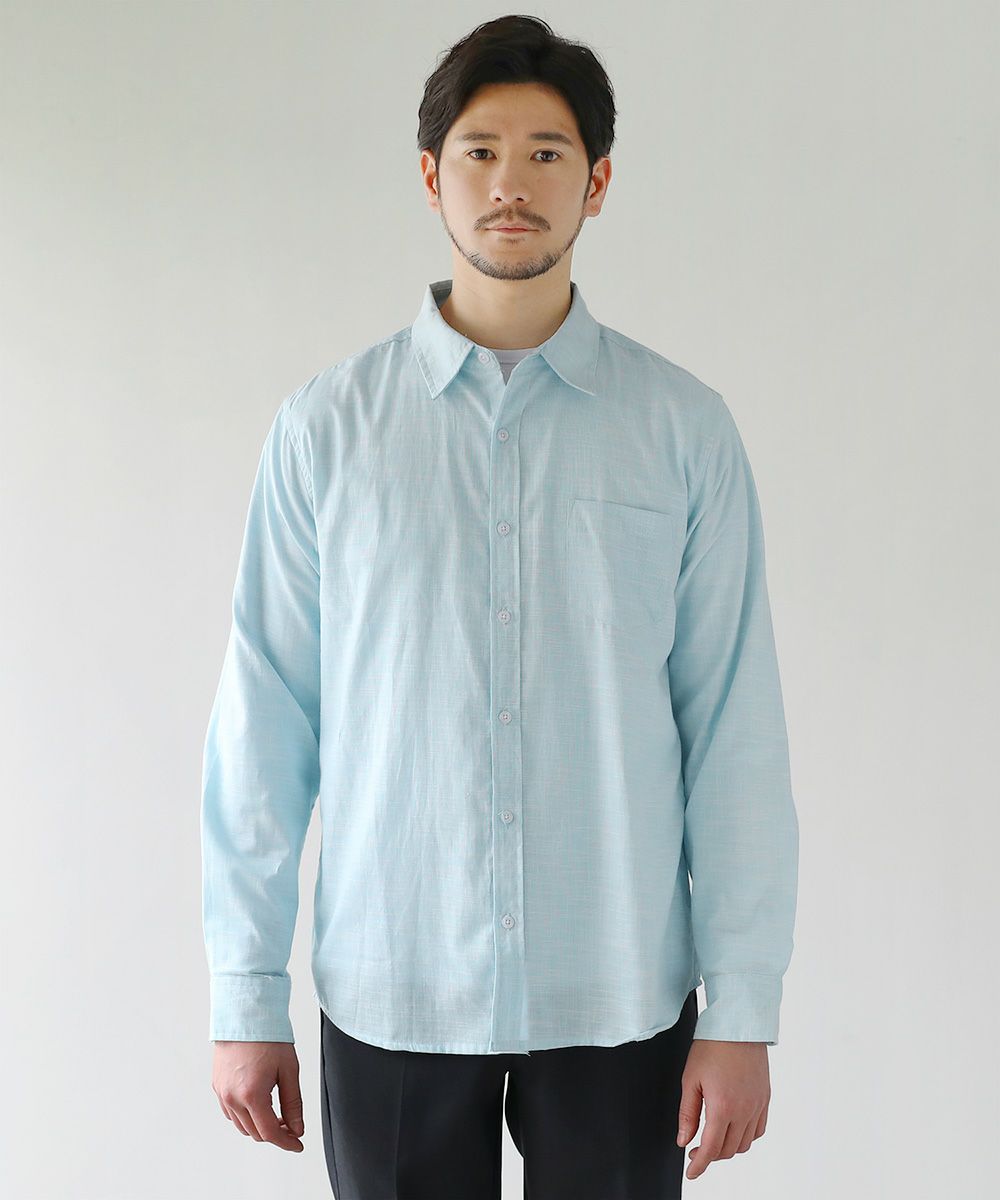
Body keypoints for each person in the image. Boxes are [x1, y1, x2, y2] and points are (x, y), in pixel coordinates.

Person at [201, 14, 799, 1198]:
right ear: (432, 177)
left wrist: (741, 1009)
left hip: (620, 989)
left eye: (545, 153)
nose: (510, 183)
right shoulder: (326, 432)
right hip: (394, 983)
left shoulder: (681, 431)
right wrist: (243, 994)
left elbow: (733, 729)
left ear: (597, 182)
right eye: (479, 152)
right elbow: (263, 721)